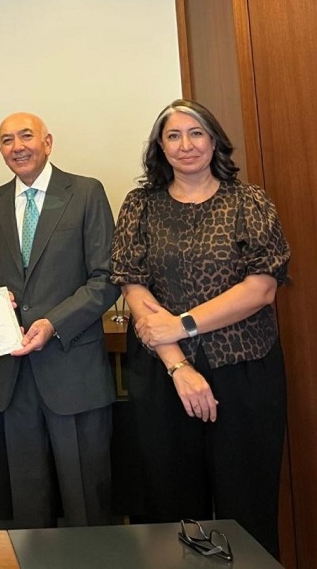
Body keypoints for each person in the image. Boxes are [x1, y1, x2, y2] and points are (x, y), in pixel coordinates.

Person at [111, 99, 290, 557]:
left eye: (196, 133)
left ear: (214, 141)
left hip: (245, 370)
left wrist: (182, 325)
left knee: (247, 506)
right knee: (171, 508)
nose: (185, 145)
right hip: (164, 375)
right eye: (173, 135)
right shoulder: (140, 205)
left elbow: (261, 288)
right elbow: (134, 287)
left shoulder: (248, 202)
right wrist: (178, 367)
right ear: (160, 146)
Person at [0, 112, 119, 528]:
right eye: (7, 140)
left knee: (86, 501)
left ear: (48, 142)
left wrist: (53, 323)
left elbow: (107, 278)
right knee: (27, 505)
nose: (17, 146)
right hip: (13, 373)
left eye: (26, 136)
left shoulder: (86, 192)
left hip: (73, 368)